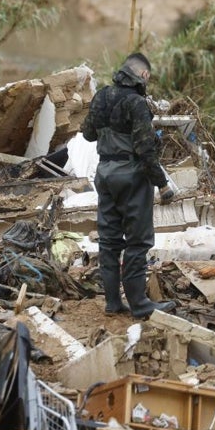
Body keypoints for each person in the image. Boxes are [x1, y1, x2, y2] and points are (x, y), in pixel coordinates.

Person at [80, 52, 176, 319]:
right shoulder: (137, 103)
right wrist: (162, 184)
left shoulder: (101, 97)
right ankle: (140, 304)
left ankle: (112, 303)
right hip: (132, 176)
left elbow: (88, 134)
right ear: (143, 75)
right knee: (137, 241)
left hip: (105, 172)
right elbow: (145, 149)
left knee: (109, 240)